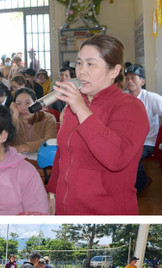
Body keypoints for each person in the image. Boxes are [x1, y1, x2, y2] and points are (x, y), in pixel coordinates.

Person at [46, 35, 149, 215]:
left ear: (114, 71)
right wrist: (53, 193)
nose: (81, 71)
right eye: (79, 63)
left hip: (106, 214)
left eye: (91, 64)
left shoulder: (130, 107)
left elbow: (116, 157)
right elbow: (63, 152)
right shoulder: (74, 106)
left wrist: (81, 108)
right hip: (67, 209)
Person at [125, 65, 162, 192]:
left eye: (133, 78)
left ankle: (142, 184)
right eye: (127, 78)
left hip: (146, 142)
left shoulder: (152, 98)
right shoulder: (123, 98)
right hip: (127, 141)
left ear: (142, 81)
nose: (129, 81)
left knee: (132, 158)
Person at [10, 87, 58, 154]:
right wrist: (15, 116)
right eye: (19, 103)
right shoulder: (11, 120)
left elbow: (49, 142)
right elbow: (5, 143)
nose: (23, 108)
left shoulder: (48, 118)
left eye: (27, 103)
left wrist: (24, 147)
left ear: (35, 103)